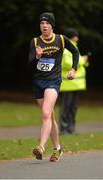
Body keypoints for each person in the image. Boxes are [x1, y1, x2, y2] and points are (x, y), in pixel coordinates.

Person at [28, 13, 79, 162]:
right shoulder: (35, 42)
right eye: (41, 23)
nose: (44, 25)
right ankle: (57, 148)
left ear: (52, 25)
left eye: (47, 23)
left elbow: (75, 52)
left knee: (45, 113)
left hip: (53, 81)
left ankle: (41, 147)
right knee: (49, 116)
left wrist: (73, 69)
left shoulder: (61, 39)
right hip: (38, 82)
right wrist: (37, 57)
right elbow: (29, 67)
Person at [59, 28, 89, 134]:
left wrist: (83, 61)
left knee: (73, 107)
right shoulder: (66, 48)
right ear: (73, 36)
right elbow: (67, 64)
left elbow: (76, 62)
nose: (78, 37)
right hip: (68, 84)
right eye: (76, 35)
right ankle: (63, 129)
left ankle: (71, 129)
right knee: (66, 107)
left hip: (76, 84)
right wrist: (82, 60)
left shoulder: (74, 46)